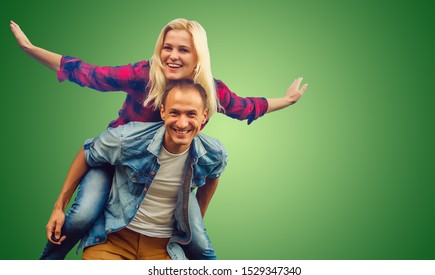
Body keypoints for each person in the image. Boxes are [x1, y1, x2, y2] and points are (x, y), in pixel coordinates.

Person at [10, 18, 308, 259]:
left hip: (163, 174)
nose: (173, 56)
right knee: (82, 214)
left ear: (197, 57)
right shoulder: (144, 75)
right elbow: (91, 74)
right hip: (116, 159)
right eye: (168, 47)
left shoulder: (210, 91)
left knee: (199, 241)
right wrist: (30, 49)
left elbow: (246, 107)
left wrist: (287, 100)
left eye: (183, 50)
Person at [60, 78, 226, 259]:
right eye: (175, 113)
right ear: (162, 112)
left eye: (191, 114)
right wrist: (58, 207)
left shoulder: (214, 153)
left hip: (165, 247)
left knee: (205, 252)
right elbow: (87, 152)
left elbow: (213, 175)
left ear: (204, 115)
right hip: (112, 239)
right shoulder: (128, 139)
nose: (182, 123)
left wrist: (195, 221)